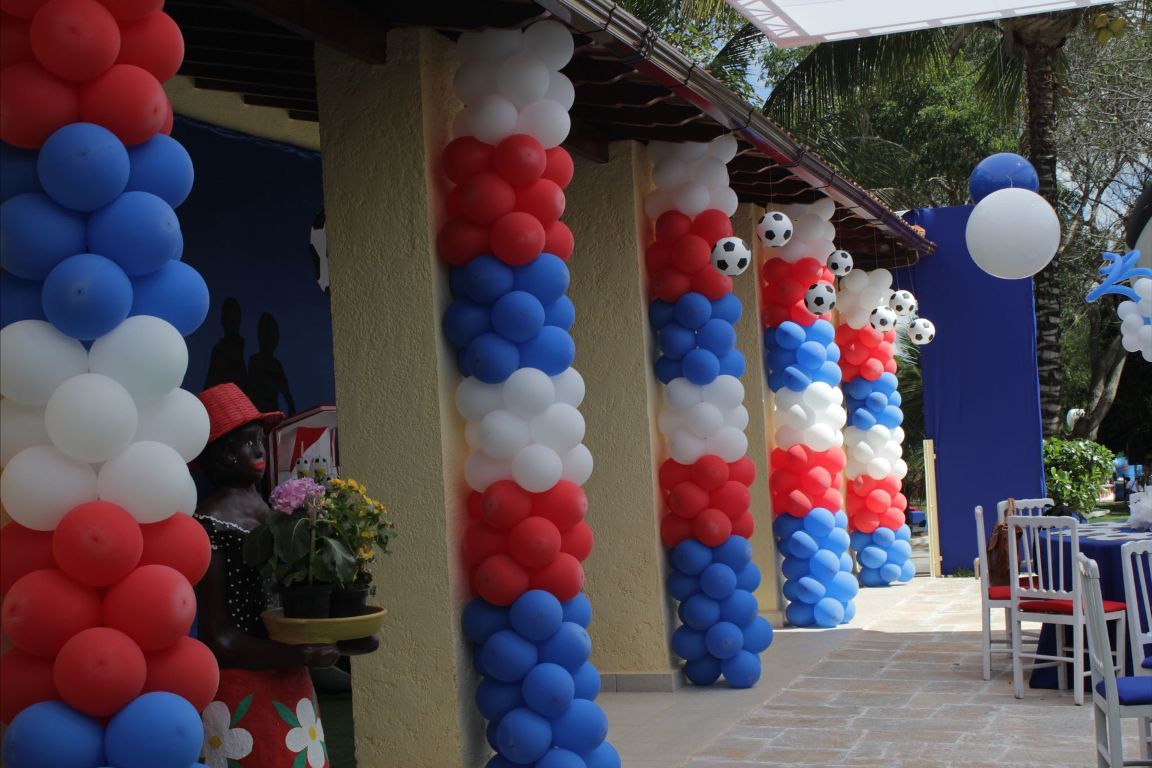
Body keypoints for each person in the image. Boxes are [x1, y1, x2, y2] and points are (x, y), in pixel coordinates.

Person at [193, 383, 373, 767]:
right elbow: (216, 636)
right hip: (240, 688)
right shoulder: (208, 525)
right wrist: (296, 652)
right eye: (246, 443)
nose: (259, 451)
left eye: (259, 440)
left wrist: (342, 635)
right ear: (221, 456)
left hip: (292, 683)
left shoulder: (281, 517)